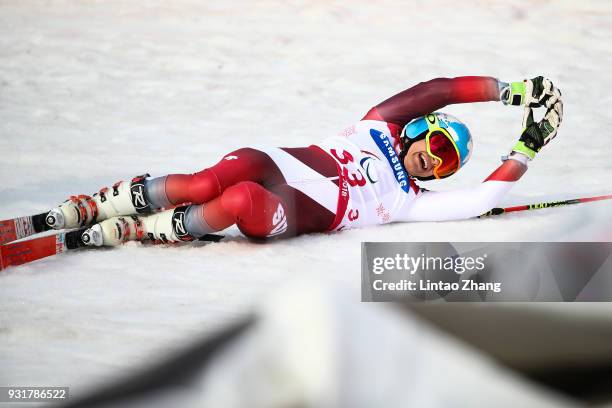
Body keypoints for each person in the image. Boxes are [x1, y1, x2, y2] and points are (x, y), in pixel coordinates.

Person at [43, 76, 563, 247]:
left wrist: (529, 145)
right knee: (207, 183)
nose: (433, 160)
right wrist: (510, 91)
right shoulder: (378, 124)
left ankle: (150, 229)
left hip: (293, 210)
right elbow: (440, 89)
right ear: (421, 128)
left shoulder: (408, 201)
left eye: (445, 163)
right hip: (275, 160)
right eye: (437, 143)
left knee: (239, 201)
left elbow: (481, 200)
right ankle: (102, 204)